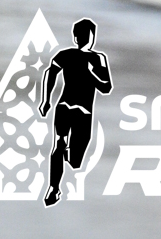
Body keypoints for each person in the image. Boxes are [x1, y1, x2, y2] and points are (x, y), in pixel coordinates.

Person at [38, 17, 111, 206]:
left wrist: (90, 73)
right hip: (70, 108)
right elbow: (50, 73)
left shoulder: (96, 58)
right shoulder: (70, 55)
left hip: (76, 110)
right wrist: (46, 100)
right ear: (77, 37)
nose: (86, 39)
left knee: (74, 159)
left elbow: (106, 87)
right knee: (59, 144)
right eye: (84, 35)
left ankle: (63, 157)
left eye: (87, 35)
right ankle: (54, 187)